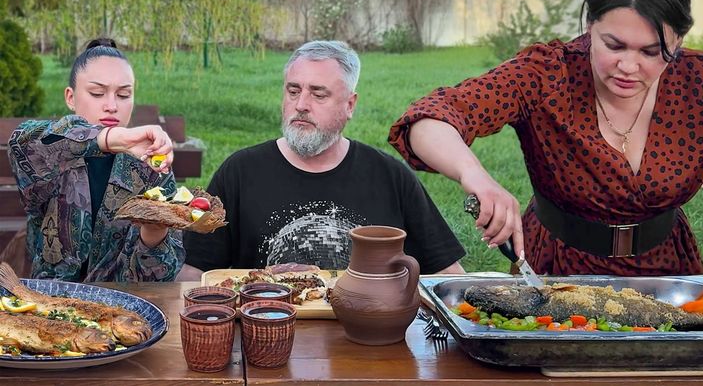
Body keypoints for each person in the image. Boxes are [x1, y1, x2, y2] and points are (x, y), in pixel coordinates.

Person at [388, 0, 703, 276]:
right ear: (590, 26)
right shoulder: (547, 73)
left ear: (679, 41)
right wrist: (475, 175)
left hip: (670, 274)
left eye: (652, 52)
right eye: (613, 45)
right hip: (555, 272)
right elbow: (430, 117)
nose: (628, 66)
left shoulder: (701, 82)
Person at [181, 40, 465, 276]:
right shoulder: (239, 173)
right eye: (293, 91)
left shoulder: (390, 176)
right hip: (265, 334)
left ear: (350, 105)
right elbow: (193, 275)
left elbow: (445, 274)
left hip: (366, 336)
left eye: (318, 95)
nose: (301, 105)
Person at [8, 38, 185, 281]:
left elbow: (158, 278)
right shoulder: (52, 148)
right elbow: (21, 142)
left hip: (121, 309)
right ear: (70, 97)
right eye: (97, 93)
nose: (111, 106)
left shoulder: (149, 164)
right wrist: (110, 138)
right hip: (48, 305)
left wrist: (154, 234)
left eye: (124, 95)